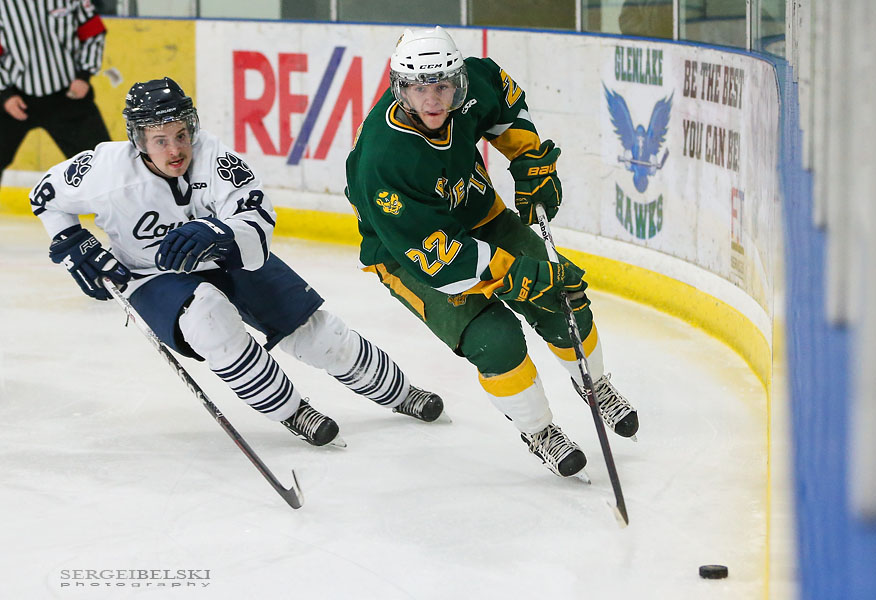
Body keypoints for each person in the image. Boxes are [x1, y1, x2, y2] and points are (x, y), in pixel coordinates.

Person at [29, 77, 444, 448]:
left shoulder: (213, 156)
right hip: (151, 274)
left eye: (181, 135)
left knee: (314, 332)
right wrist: (72, 241)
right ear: (138, 140)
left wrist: (219, 232)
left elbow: (258, 217)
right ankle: (292, 411)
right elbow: (44, 195)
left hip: (223, 256)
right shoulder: (104, 171)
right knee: (210, 320)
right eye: (160, 140)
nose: (175, 150)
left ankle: (400, 392)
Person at [345, 26, 639, 480]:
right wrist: (522, 274)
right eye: (420, 89)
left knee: (562, 299)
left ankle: (595, 383)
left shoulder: (473, 83)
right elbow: (445, 263)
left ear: (458, 80)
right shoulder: (383, 162)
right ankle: (540, 431)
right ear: (400, 88)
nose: (433, 100)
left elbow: (503, 102)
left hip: (479, 213)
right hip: (410, 254)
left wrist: (528, 159)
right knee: (495, 340)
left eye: (443, 86)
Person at [0, 0, 111, 186]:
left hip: (68, 96)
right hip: (15, 98)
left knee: (101, 164)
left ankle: (113, 204)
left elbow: (94, 32)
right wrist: (4, 94)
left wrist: (84, 75)